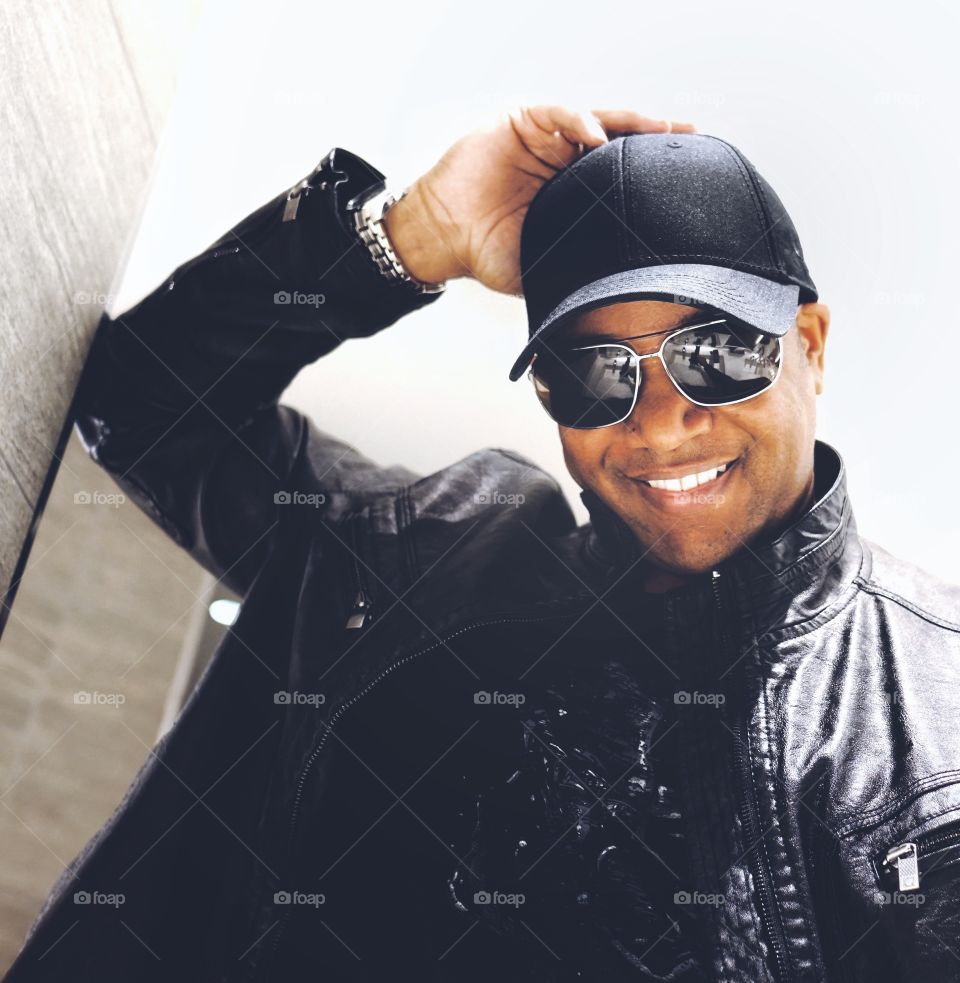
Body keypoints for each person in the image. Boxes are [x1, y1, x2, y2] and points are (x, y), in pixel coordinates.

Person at [6, 104, 960, 983]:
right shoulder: (429, 555)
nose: (661, 428)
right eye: (592, 373)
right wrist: (407, 237)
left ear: (812, 343)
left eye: (716, 353)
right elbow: (146, 408)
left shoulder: (933, 719)